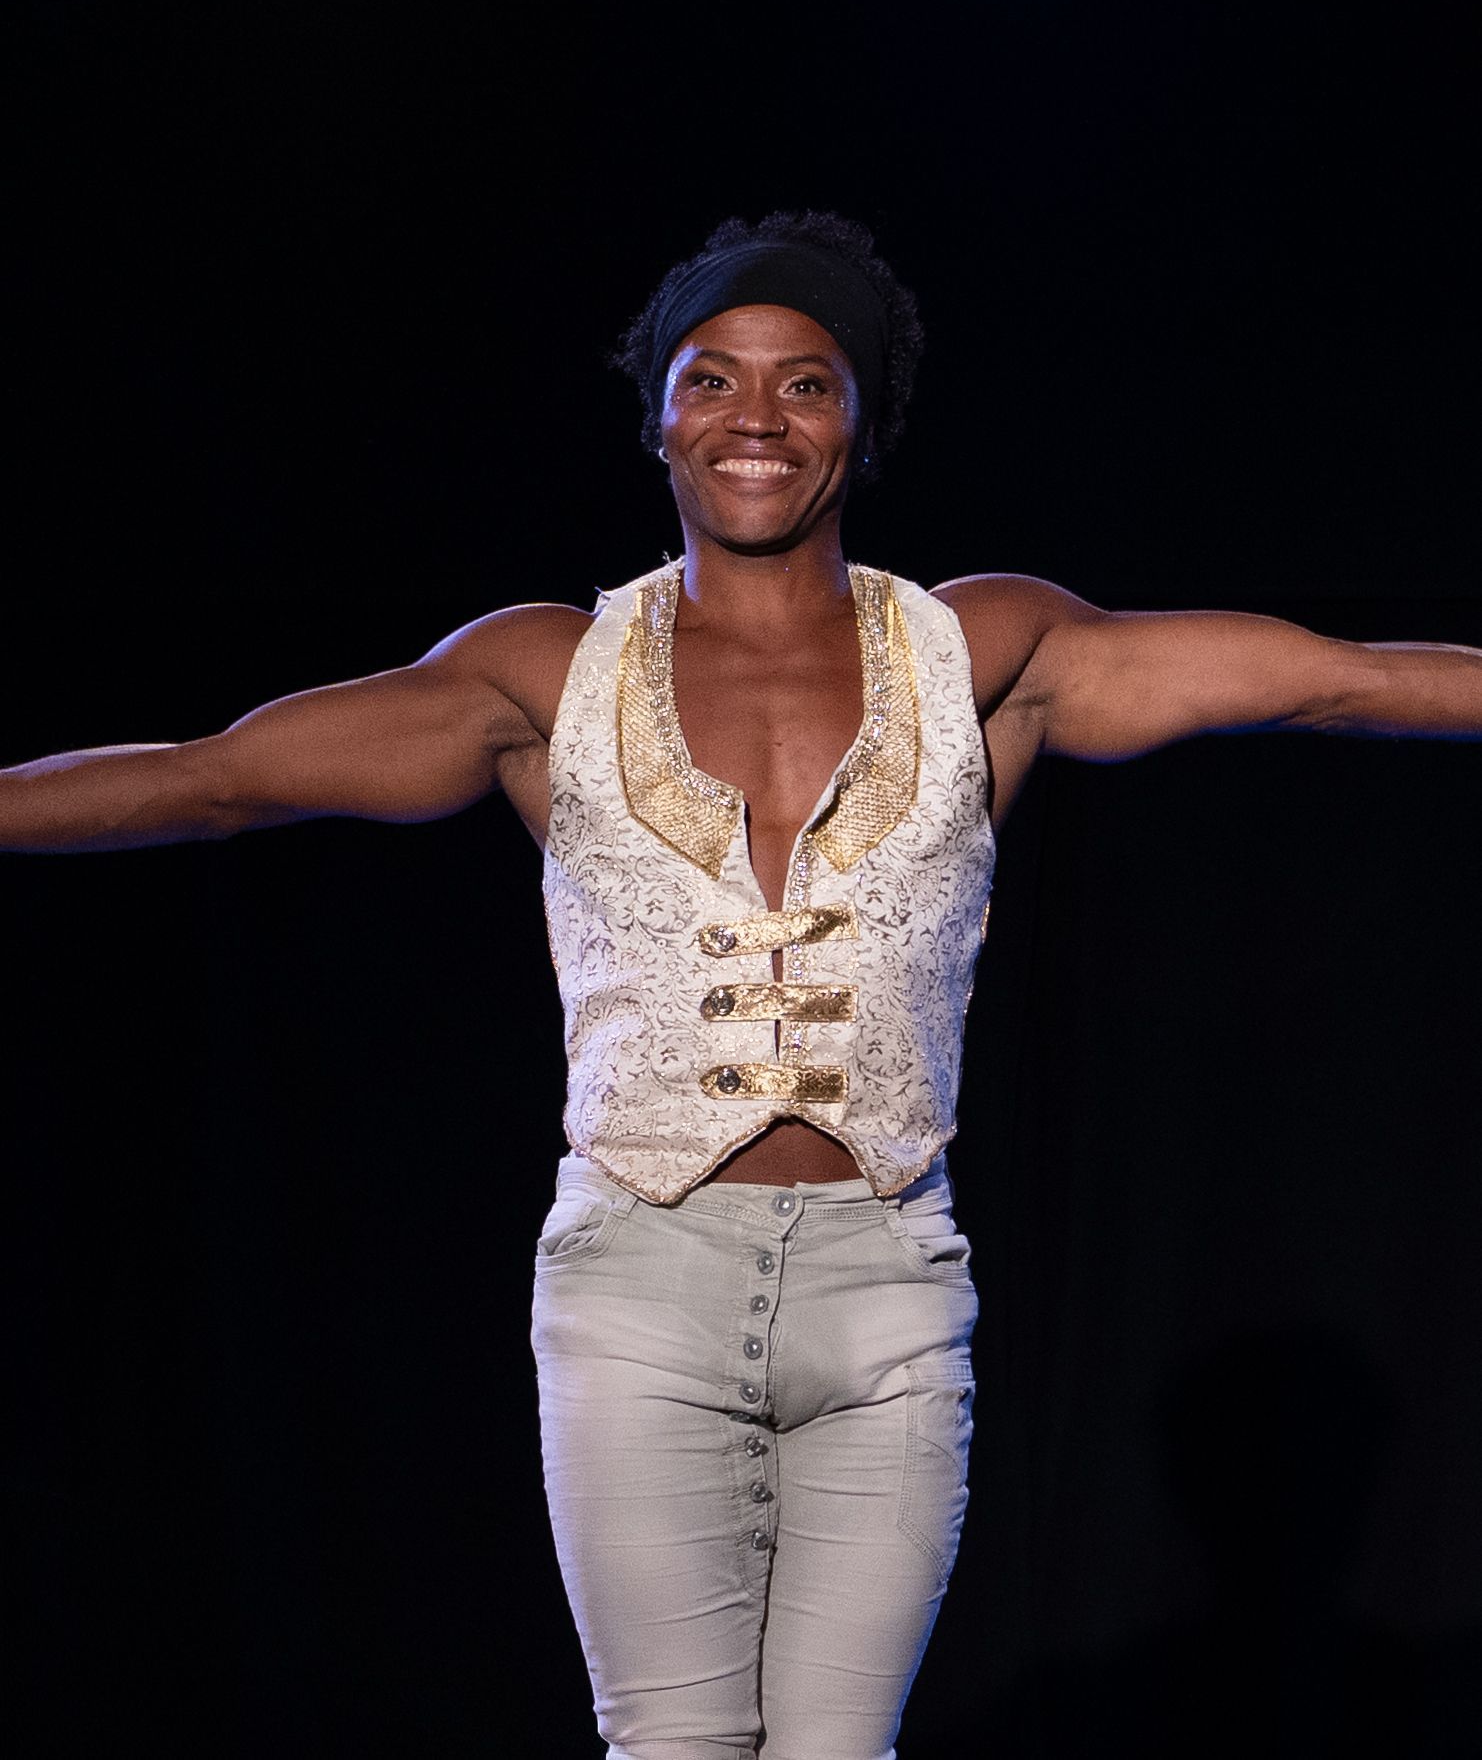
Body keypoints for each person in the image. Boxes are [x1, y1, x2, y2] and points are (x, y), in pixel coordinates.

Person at [3, 210, 1478, 1759]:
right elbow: (214, 779)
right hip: (641, 1284)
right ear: (657, 415)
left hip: (884, 1286)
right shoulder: (546, 672)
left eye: (805, 384)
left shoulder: (982, 648)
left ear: (861, 420)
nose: (755, 419)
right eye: (711, 381)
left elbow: (1335, 679)